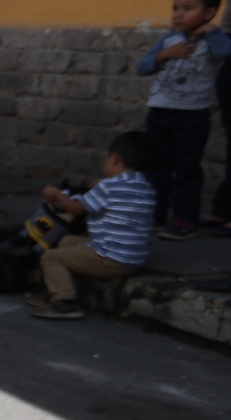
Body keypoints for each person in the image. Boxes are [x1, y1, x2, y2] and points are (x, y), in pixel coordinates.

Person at [137, 0, 229, 240]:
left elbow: (225, 52)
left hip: (191, 116)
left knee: (186, 170)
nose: (178, 14)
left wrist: (210, 32)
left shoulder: (213, 41)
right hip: (159, 112)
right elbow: (142, 67)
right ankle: (154, 217)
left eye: (188, 9)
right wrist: (164, 55)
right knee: (156, 168)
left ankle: (184, 220)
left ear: (209, 13)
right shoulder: (168, 39)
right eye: (175, 8)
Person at [32, 132, 157, 318]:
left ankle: (64, 301)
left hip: (111, 257)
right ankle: (63, 288)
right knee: (67, 242)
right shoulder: (144, 186)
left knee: (51, 257)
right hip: (134, 257)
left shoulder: (108, 187)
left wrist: (57, 196)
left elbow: (75, 209)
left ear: (114, 159)